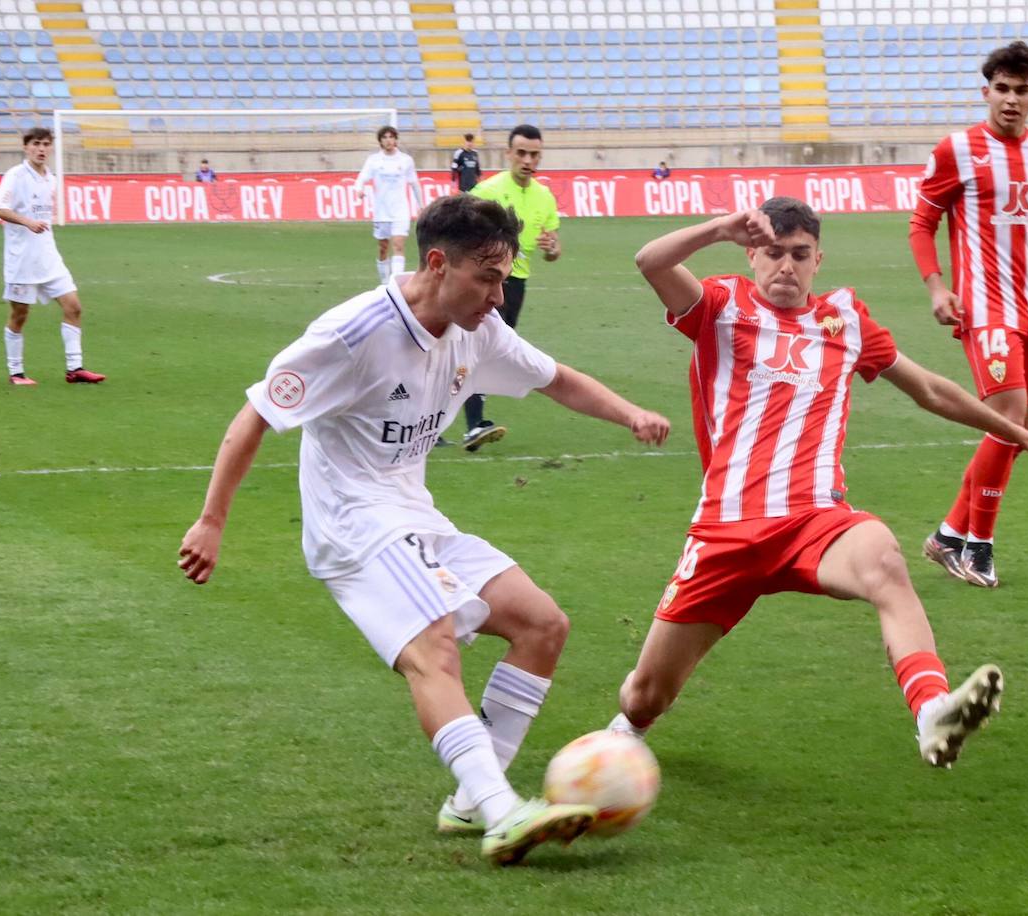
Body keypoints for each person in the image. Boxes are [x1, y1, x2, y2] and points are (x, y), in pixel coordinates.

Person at [177, 194, 671, 865]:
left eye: (504, 278)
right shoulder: (351, 334)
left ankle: (473, 802)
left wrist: (630, 413)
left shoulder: (478, 330)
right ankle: (501, 812)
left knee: (542, 625)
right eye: (488, 277)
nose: (499, 296)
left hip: (413, 514)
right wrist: (211, 521)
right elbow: (255, 415)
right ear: (438, 263)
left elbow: (557, 380)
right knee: (435, 648)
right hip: (353, 527)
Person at [607, 198, 1028, 771]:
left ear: (818, 259)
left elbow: (930, 390)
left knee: (885, 559)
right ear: (751, 255)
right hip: (727, 530)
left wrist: (1021, 434)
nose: (785, 266)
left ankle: (932, 711)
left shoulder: (845, 319)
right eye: (772, 253)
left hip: (816, 521)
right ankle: (625, 732)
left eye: (799, 255)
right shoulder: (719, 304)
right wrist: (716, 228)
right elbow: (650, 261)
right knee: (646, 696)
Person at [908, 41, 1028, 588]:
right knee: (1007, 417)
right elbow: (921, 224)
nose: (1010, 100)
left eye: (1021, 91)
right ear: (986, 92)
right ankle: (977, 546)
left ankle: (947, 536)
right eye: (1001, 89)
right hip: (983, 307)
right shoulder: (955, 150)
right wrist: (937, 287)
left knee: (1021, 425)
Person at [462, 124, 560, 452]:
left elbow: (553, 251)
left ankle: (452, 414)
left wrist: (552, 248)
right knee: (477, 347)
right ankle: (474, 425)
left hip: (516, 285)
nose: (528, 160)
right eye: (521, 153)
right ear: (509, 154)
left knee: (486, 349)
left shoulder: (544, 198)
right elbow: (458, 234)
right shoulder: (485, 192)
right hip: (484, 281)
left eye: (534, 154)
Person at [0, 126, 105, 386]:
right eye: (36, 144)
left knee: (73, 307)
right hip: (21, 260)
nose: (41, 149)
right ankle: (16, 373)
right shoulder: (16, 175)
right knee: (20, 314)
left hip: (48, 257)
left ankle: (75, 368)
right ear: (26, 147)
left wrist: (37, 225)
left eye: (46, 144)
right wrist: (27, 222)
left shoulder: (50, 178)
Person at [354, 125, 425, 284]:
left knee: (398, 246)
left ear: (395, 139)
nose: (388, 140)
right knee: (383, 248)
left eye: (391, 137)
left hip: (400, 210)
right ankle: (385, 283)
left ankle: (394, 286)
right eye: (385, 138)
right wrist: (359, 190)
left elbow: (414, 184)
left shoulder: (405, 160)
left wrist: (420, 205)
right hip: (381, 211)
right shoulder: (374, 160)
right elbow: (361, 179)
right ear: (380, 141)